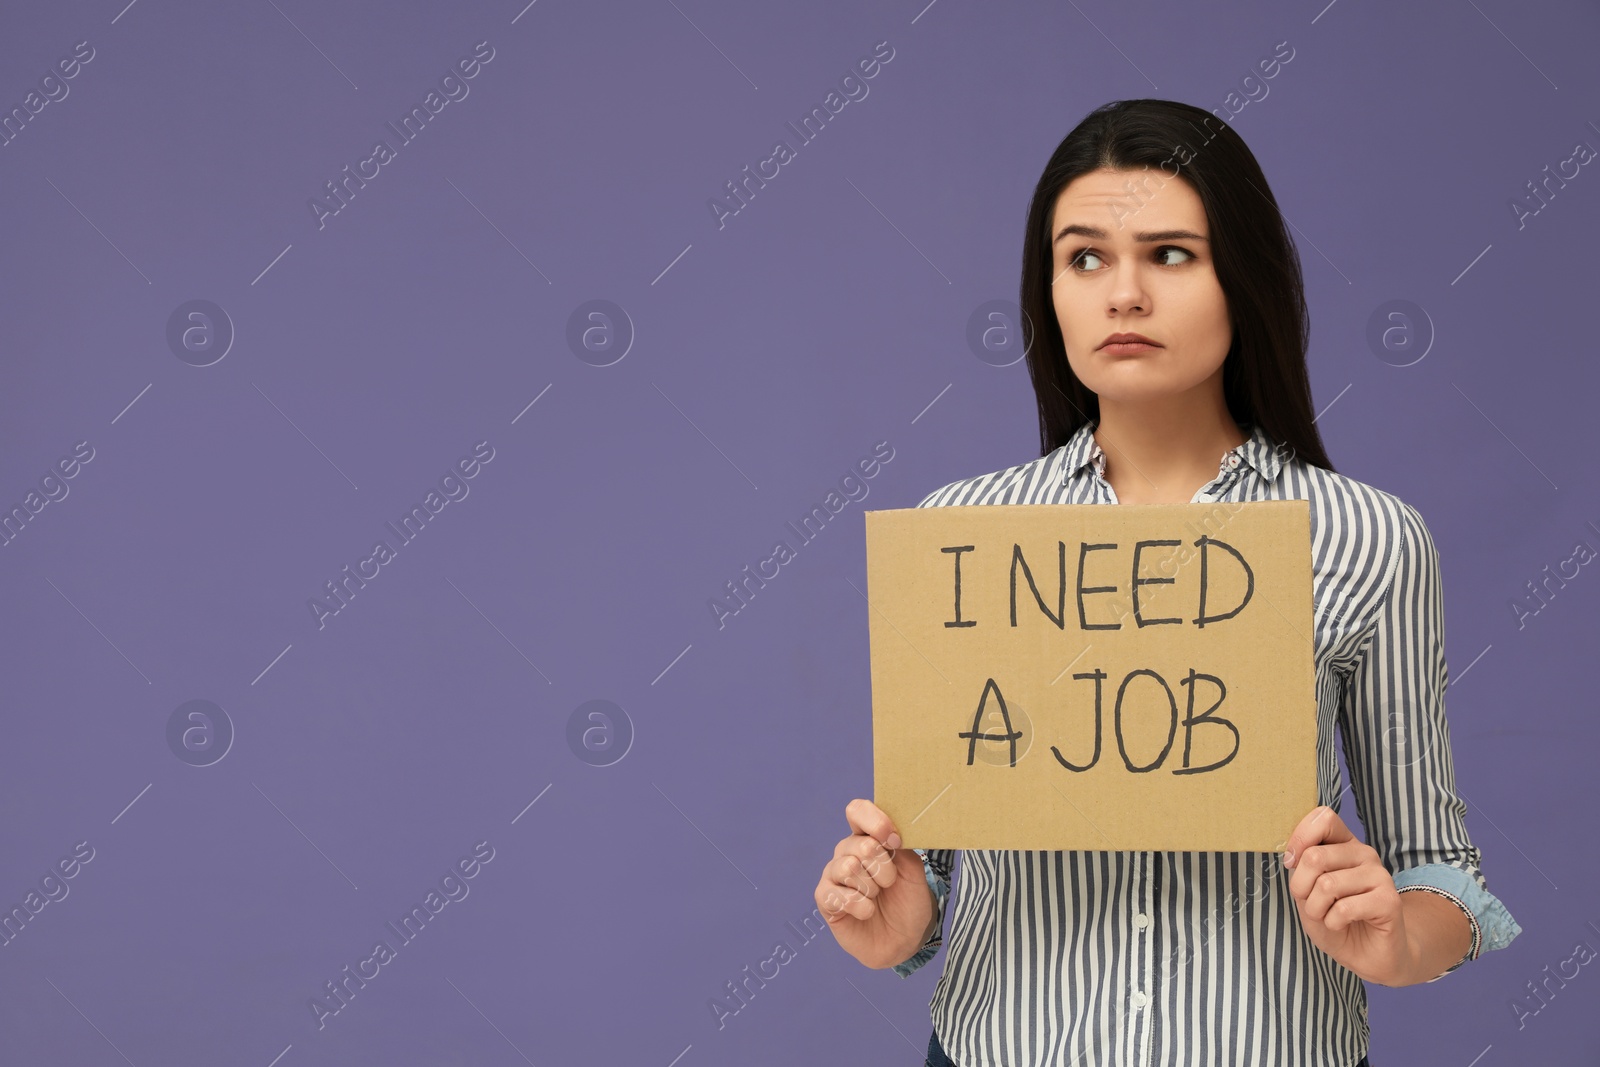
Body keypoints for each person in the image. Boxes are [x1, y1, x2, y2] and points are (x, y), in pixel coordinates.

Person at [813, 98, 1522, 1067]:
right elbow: (933, 862)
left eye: (1171, 253)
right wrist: (899, 919)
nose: (1124, 294)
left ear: (1244, 277)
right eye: (1085, 257)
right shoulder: (961, 537)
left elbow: (1441, 869)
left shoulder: (1368, 538)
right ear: (1047, 290)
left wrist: (1397, 938)